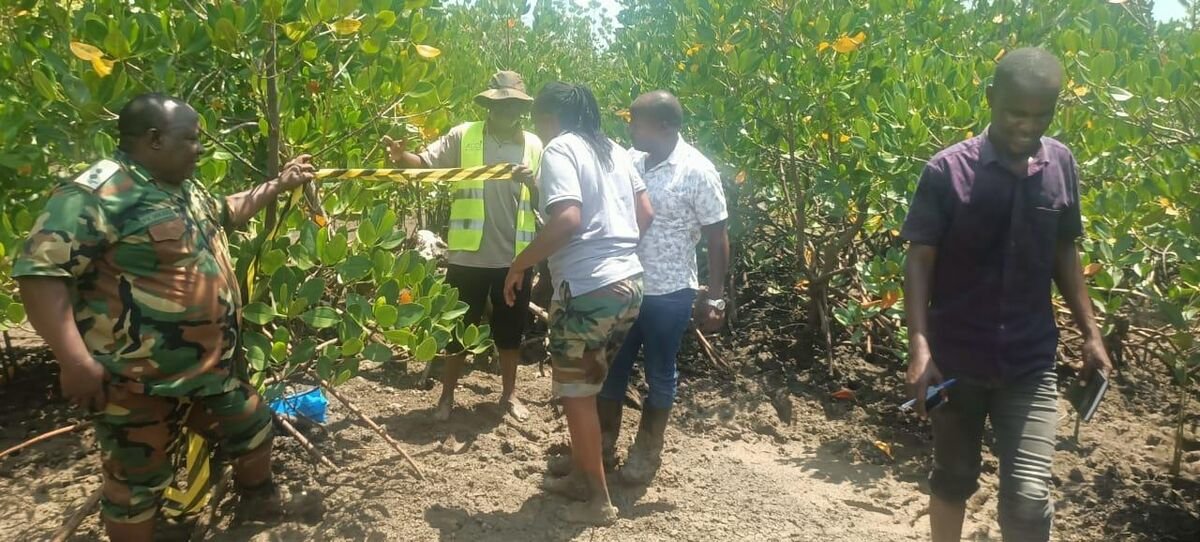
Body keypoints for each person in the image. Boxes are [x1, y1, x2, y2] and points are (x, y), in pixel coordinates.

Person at [12, 93, 316, 542]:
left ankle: (256, 504)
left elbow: (228, 210)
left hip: (209, 373)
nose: (199, 148)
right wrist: (74, 361)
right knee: (135, 486)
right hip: (139, 383)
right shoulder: (95, 195)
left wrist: (279, 184)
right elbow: (40, 273)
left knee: (252, 426)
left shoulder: (182, 187)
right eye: (190, 139)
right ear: (154, 139)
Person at [901, 48, 1112, 542]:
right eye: (1017, 113)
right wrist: (919, 346)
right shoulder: (947, 171)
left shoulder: (1060, 164)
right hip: (956, 358)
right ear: (991, 98)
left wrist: (1091, 333)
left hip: (1029, 360)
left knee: (1029, 498)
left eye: (1041, 116)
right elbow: (919, 259)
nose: (1028, 126)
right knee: (953, 478)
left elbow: (1064, 250)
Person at [502, 82, 653, 525]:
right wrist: (615, 253)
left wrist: (519, 264)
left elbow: (567, 219)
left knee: (576, 396)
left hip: (588, 290)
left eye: (538, 123)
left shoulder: (560, 149)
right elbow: (645, 214)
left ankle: (597, 502)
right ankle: (581, 476)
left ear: (548, 117)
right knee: (588, 385)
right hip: (629, 284)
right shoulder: (614, 149)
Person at [384, 71, 542, 421]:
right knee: (457, 331)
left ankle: (509, 396)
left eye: (513, 106)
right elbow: (425, 165)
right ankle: (446, 398)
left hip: (515, 258)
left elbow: (545, 198)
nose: (506, 111)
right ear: (489, 105)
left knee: (510, 332)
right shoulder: (464, 135)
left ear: (521, 109)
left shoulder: (534, 145)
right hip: (467, 256)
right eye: (500, 105)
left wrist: (533, 183)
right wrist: (402, 156)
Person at [599, 90, 729, 485]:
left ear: (665, 126)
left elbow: (718, 235)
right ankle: (601, 449)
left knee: (660, 373)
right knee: (611, 369)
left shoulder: (697, 170)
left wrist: (716, 297)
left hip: (670, 293)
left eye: (636, 122)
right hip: (625, 287)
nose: (630, 128)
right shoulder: (631, 160)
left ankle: (646, 455)